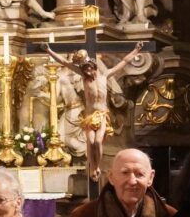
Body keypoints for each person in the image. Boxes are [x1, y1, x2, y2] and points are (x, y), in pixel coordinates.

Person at [42, 42, 144, 181]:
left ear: (94, 67)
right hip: (90, 116)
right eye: (85, 70)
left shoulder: (104, 76)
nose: (88, 72)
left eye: (89, 69)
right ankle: (92, 167)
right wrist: (49, 51)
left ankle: (97, 166)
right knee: (90, 141)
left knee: (97, 142)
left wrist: (136, 50)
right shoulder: (85, 78)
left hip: (102, 115)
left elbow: (124, 62)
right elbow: (65, 62)